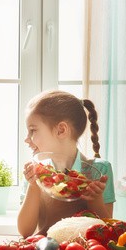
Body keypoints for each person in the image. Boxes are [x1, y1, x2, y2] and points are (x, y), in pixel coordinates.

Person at [17, 90, 115, 238]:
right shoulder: (34, 172)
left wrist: (95, 199)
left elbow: (107, 229)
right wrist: (33, 185)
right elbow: (25, 231)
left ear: (61, 130)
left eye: (33, 130)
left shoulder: (99, 170)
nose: (27, 139)